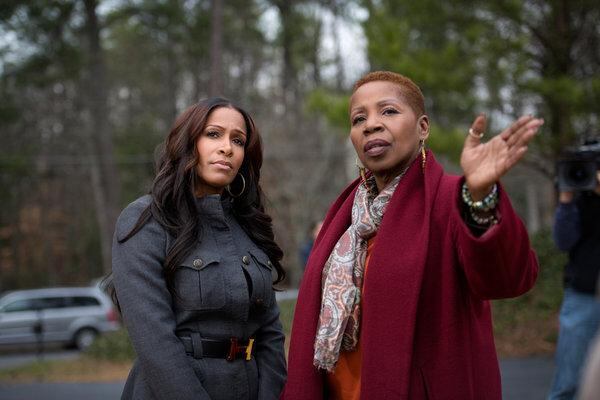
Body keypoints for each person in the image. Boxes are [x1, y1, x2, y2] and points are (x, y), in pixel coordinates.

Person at [282, 71, 543, 400]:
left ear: (423, 128)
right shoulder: (345, 216)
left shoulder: (451, 199)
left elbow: (507, 279)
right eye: (359, 118)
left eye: (388, 111)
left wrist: (480, 198)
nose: (371, 125)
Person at [110, 98, 287, 400]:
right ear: (187, 142)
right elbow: (154, 341)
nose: (227, 148)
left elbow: (270, 332)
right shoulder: (146, 220)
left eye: (238, 140)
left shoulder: (248, 225)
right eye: (213, 134)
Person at [547, 165, 600, 400]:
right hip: (584, 296)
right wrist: (566, 199)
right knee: (568, 383)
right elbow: (563, 241)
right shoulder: (581, 198)